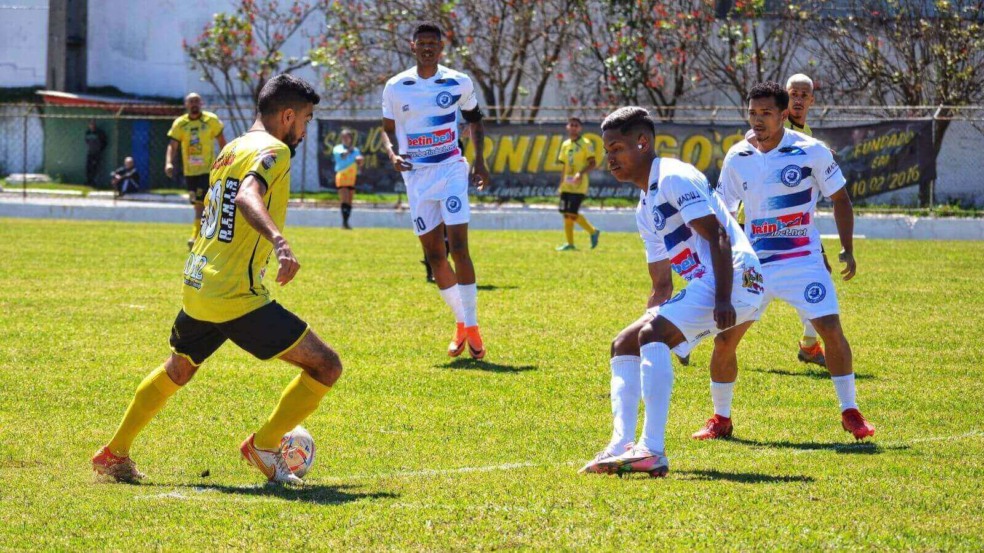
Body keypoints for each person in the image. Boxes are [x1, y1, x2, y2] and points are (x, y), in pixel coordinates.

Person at [91, 74, 340, 485]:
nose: (306, 128)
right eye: (307, 119)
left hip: (199, 282)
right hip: (233, 293)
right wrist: (278, 240)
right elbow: (246, 196)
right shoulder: (274, 149)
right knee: (326, 366)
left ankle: (113, 453)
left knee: (179, 369)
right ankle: (264, 445)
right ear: (289, 115)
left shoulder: (231, 148)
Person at [579, 107, 765, 477]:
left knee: (651, 334)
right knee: (625, 342)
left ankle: (652, 449)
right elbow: (661, 285)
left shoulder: (673, 177)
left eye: (616, 148)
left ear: (642, 143)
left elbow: (720, 236)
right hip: (712, 286)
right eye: (607, 150)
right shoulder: (645, 207)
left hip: (737, 279)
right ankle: (620, 445)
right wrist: (661, 321)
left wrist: (723, 299)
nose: (609, 158)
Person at [691, 81, 874, 442]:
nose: (758, 120)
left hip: (802, 261)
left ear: (784, 114)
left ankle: (850, 412)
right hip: (756, 266)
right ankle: (720, 419)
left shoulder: (811, 151)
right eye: (753, 113)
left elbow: (841, 199)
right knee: (725, 341)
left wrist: (847, 248)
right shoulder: (737, 157)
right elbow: (723, 216)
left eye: (767, 113)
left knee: (831, 329)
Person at [380, 22, 490, 360]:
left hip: (452, 170)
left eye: (434, 43)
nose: (428, 47)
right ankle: (461, 323)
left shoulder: (458, 82)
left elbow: (474, 120)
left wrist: (480, 162)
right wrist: (393, 154)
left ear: (442, 48)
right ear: (412, 46)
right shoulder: (396, 87)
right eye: (422, 42)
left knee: (459, 248)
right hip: (417, 177)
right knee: (434, 257)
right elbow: (386, 130)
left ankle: (472, 327)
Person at [165, 93, 227, 250]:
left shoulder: (211, 120)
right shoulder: (180, 123)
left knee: (200, 203)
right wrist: (168, 163)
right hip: (190, 171)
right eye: (191, 101)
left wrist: (226, 161)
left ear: (201, 103)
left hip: (208, 169)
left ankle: (195, 237)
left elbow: (222, 142)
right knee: (198, 204)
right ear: (186, 104)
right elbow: (173, 145)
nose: (194, 104)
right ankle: (205, 235)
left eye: (197, 101)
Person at [556, 117, 601, 251]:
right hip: (567, 184)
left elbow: (593, 163)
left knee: (572, 212)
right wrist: (561, 184)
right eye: (571, 125)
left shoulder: (585, 143)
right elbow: (564, 167)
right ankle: (570, 244)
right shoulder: (565, 144)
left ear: (580, 128)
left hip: (579, 185)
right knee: (566, 214)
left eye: (576, 125)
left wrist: (580, 173)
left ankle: (593, 231)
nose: (574, 127)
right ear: (567, 127)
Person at [332, 128, 364, 229]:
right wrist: (351, 151)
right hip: (342, 175)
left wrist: (360, 161)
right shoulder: (338, 148)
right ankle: (344, 222)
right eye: (343, 137)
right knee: (344, 198)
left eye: (347, 137)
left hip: (351, 176)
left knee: (350, 200)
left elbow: (360, 162)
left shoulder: (356, 150)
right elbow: (343, 156)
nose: (345, 139)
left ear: (351, 138)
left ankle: (346, 222)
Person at [85, 120, 107, 187]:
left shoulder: (99, 133)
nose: (92, 126)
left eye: (93, 124)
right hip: (90, 152)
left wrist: (100, 149)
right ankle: (89, 181)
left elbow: (104, 142)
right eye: (90, 125)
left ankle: (95, 182)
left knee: (96, 167)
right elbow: (86, 141)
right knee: (88, 167)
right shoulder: (88, 132)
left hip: (97, 153)